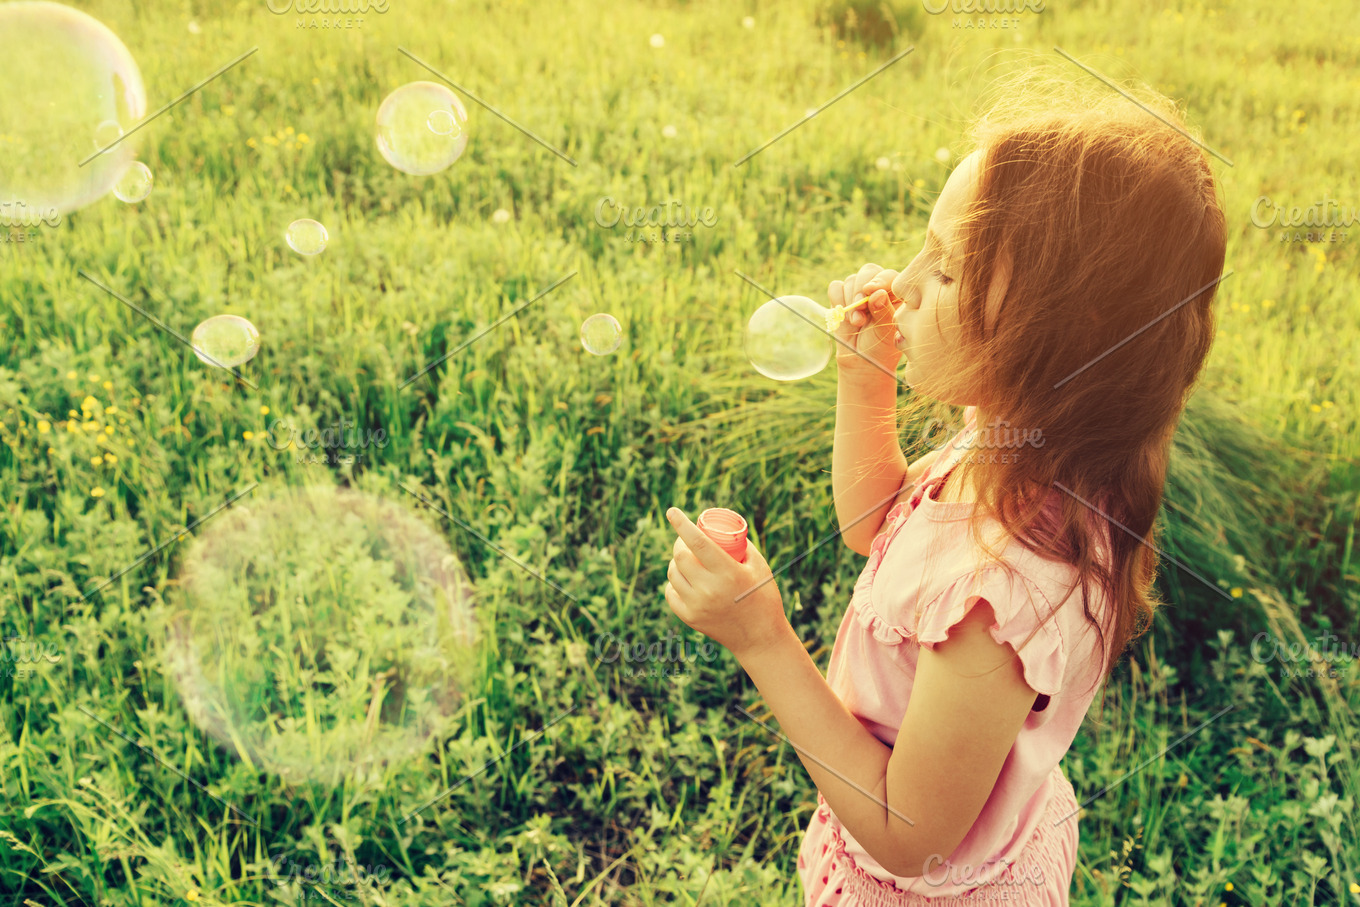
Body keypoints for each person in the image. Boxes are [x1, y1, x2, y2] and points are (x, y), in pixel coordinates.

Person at [663, 74, 1226, 905]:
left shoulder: (997, 599)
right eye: (923, 248)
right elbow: (875, 525)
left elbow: (906, 831)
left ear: (1056, 338)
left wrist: (761, 638)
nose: (903, 279)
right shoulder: (1019, 443)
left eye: (950, 270)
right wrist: (867, 381)